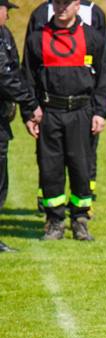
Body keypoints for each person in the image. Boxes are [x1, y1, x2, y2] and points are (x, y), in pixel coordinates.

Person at [23, 0, 106, 241]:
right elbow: (27, 78)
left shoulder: (92, 37)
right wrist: (29, 112)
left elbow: (103, 78)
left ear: (76, 5)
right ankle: (55, 221)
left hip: (81, 112)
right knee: (50, 167)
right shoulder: (36, 39)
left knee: (81, 166)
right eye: (58, 2)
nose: (62, 8)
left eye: (67, 3)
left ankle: (80, 219)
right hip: (48, 113)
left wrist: (100, 112)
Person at [0, 0, 41, 253]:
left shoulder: (4, 34)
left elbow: (15, 70)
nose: (8, 15)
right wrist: (30, 103)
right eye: (6, 9)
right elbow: (4, 77)